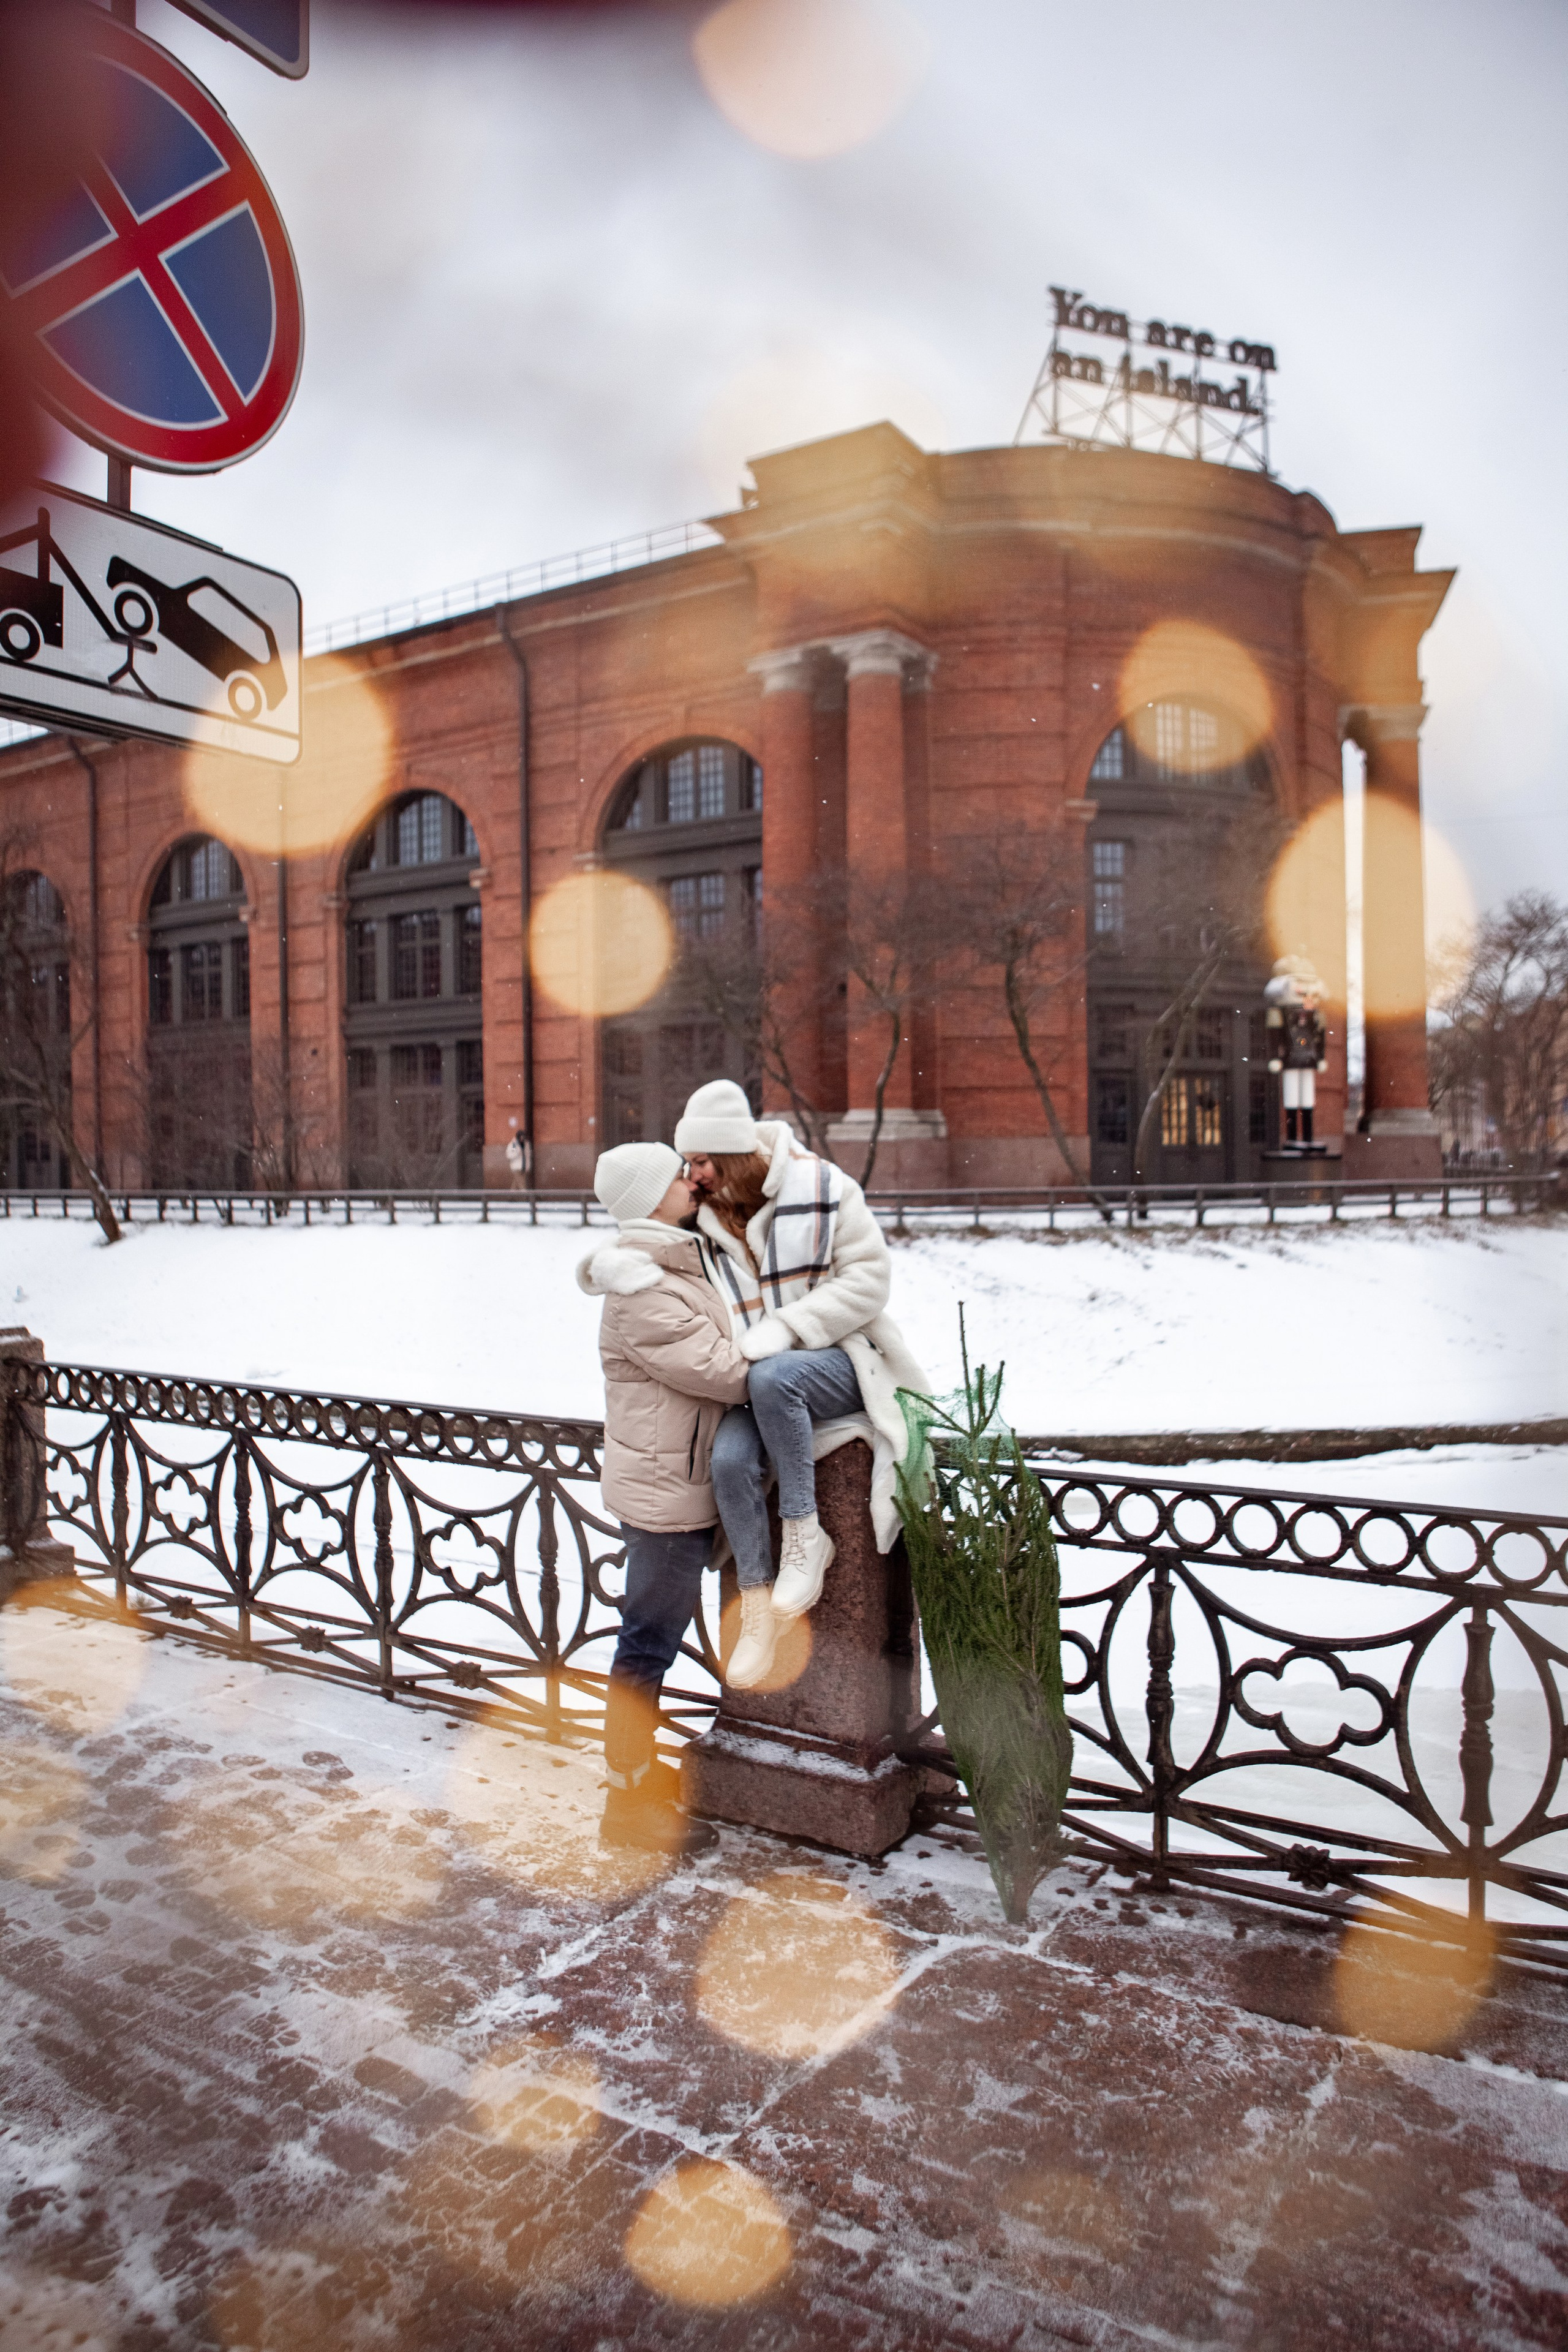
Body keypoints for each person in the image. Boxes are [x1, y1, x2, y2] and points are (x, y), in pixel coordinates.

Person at [673, 1079, 929, 1691]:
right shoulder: (702, 1220)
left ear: (732, 1154)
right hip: (757, 1381)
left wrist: (790, 1327)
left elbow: (869, 1280)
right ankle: (759, 1608)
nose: (692, 1174)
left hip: (839, 1360)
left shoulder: (822, 1188)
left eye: (701, 1161)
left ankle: (804, 1532)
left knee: (777, 1373)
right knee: (731, 1461)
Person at [578, 1139, 751, 1856]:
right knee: (647, 1645)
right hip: (664, 1496)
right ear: (649, 1198)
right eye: (679, 1177)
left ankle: (635, 1786)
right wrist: (802, 1355)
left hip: (674, 1482)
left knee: (648, 1641)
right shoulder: (640, 1289)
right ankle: (628, 1804)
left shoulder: (674, 1262)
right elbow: (724, 1371)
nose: (692, 1182)